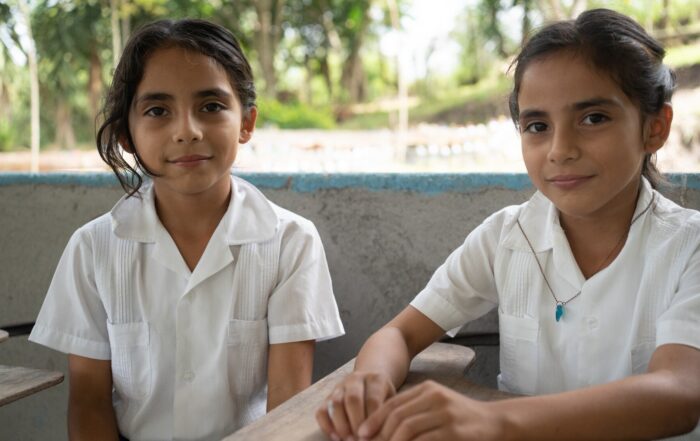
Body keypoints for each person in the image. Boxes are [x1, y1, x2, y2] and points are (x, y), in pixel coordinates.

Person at [316, 8, 700, 441]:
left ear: (655, 127)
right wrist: (371, 379)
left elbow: (680, 394)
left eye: (593, 118)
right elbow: (400, 334)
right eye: (537, 125)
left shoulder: (690, 247)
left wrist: (493, 420)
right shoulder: (507, 237)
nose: (560, 149)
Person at [29, 18, 344, 441]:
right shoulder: (93, 248)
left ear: (247, 122)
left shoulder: (291, 243)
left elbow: (288, 407)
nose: (187, 131)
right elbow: (89, 402)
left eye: (211, 106)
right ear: (127, 134)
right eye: (158, 111)